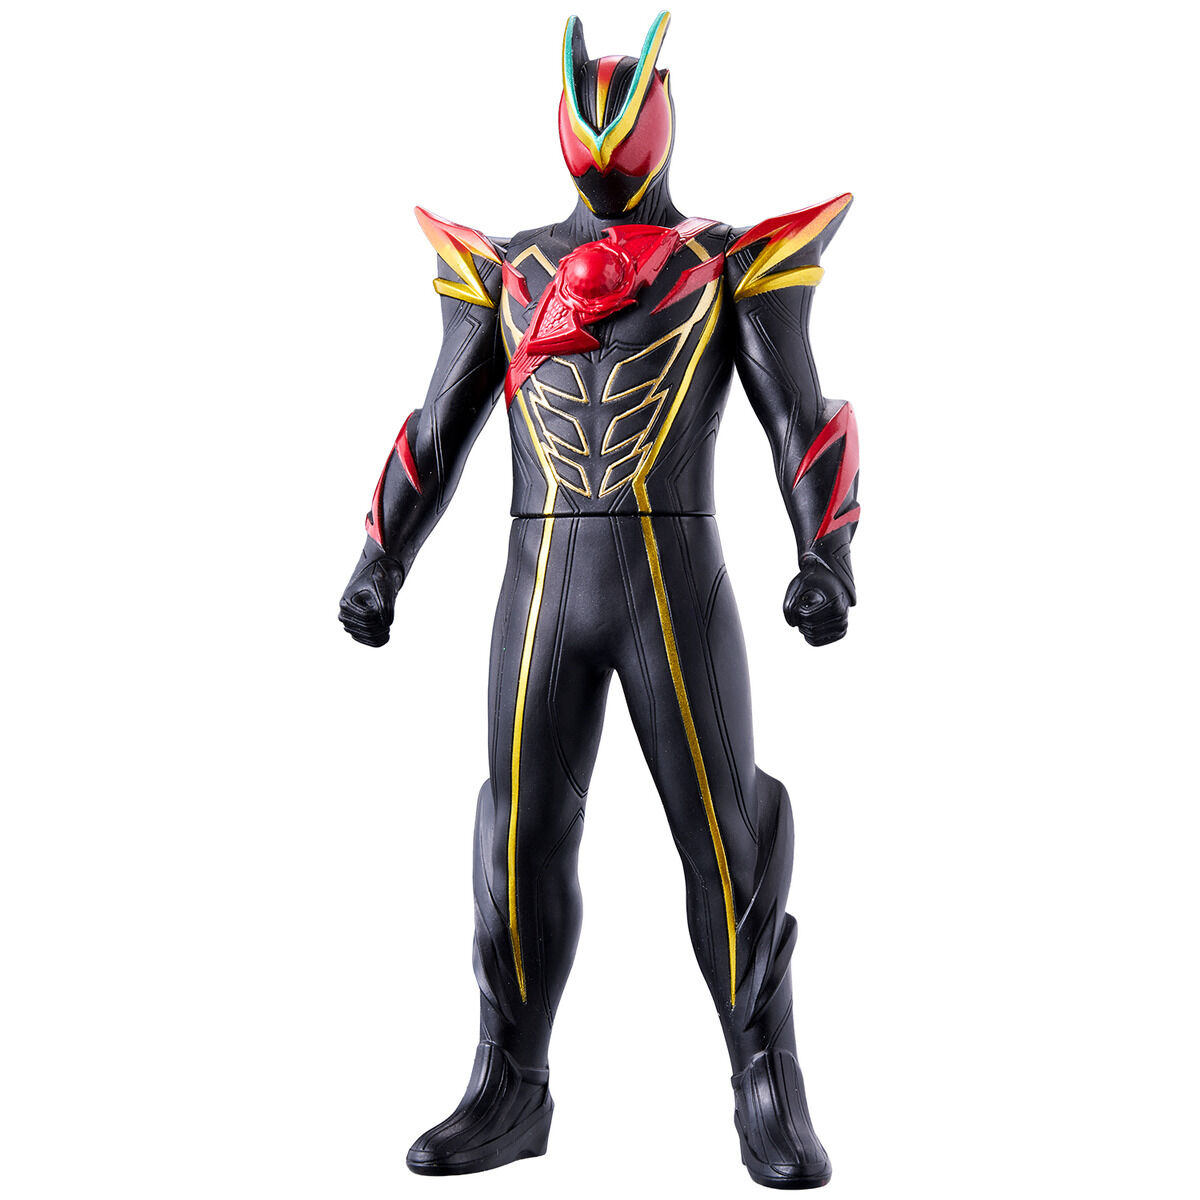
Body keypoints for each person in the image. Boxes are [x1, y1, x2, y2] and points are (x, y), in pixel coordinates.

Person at [339, 11, 859, 1188]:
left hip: (673, 578)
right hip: (540, 580)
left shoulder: (726, 263)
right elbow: (440, 424)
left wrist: (826, 557)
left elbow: (800, 420)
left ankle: (766, 1082)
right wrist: (382, 557)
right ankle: (509, 1085)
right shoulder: (509, 269)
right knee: (518, 837)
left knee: (724, 835)